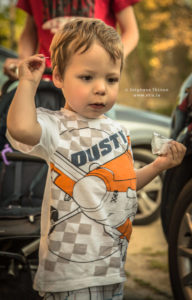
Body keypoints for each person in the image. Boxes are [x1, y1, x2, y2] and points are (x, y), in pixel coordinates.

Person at [6, 18, 186, 300]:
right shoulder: (56, 127)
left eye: (111, 79)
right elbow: (20, 128)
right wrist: (27, 83)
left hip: (112, 266)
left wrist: (159, 165)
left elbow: (124, 184)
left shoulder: (118, 131)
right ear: (60, 77)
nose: (101, 88)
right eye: (87, 77)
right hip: (70, 273)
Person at [3, 0, 140, 79]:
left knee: (101, 128)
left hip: (94, 81)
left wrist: (110, 60)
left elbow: (131, 32)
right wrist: (23, 59)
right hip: (46, 80)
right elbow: (30, 31)